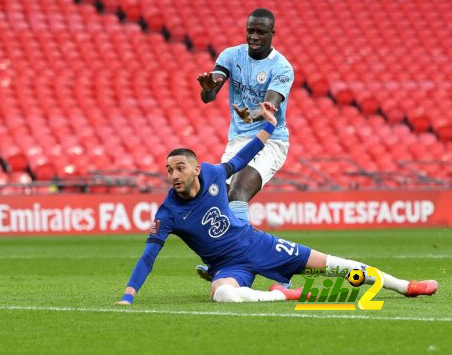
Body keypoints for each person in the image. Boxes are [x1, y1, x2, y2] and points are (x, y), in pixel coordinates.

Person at [116, 103, 437, 305]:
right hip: (228, 267)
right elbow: (148, 256)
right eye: (169, 170)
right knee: (224, 294)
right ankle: (279, 295)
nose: (173, 174)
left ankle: (404, 286)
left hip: (258, 244)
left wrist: (268, 129)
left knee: (334, 266)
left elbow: (240, 159)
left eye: (180, 168)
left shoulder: (213, 174)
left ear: (195, 169)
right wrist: (128, 297)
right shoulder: (167, 213)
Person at [195, 8, 293, 281]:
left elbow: (271, 105)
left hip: (270, 139)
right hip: (238, 140)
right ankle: (222, 262)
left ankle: (239, 260)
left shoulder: (282, 68)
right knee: (217, 201)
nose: (254, 36)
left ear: (272, 33)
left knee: (238, 193)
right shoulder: (230, 55)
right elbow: (211, 92)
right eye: (251, 30)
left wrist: (253, 113)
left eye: (261, 31)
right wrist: (208, 86)